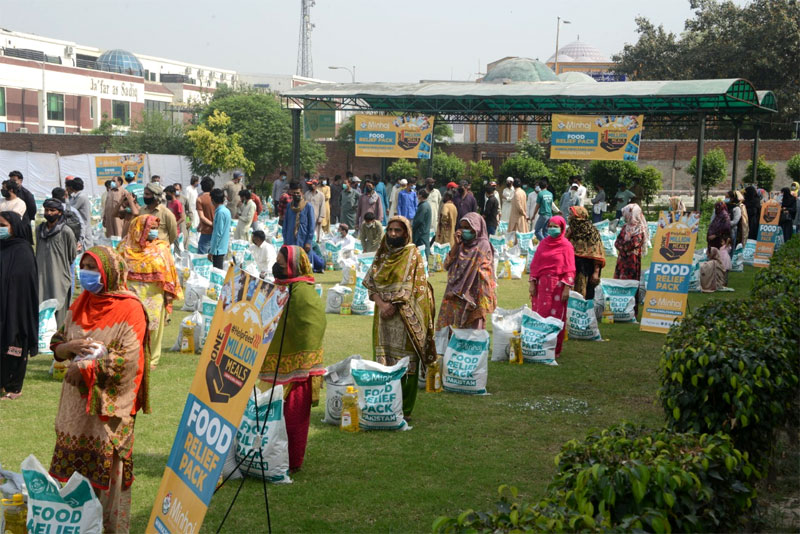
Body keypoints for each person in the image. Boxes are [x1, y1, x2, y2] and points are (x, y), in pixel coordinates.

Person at [49, 246, 149, 533]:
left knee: (106, 479)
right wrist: (66, 348)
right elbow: (58, 341)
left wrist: (84, 369)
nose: (87, 274)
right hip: (74, 413)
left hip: (107, 413)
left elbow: (128, 360)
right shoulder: (82, 301)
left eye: (94, 268)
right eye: (85, 266)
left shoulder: (131, 308)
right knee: (72, 481)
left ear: (111, 272)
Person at [259, 245, 326, 472]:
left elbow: (312, 328)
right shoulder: (279, 289)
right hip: (275, 366)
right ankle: (268, 456)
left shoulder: (303, 293)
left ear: (293, 266)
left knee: (293, 417)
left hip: (298, 371)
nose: (276, 266)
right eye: (276, 261)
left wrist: (301, 361)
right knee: (268, 415)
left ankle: (292, 461)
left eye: (281, 263)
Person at [363, 216, 436, 418]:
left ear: (406, 233)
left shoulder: (412, 253)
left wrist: (394, 304)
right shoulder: (383, 254)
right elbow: (370, 282)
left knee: (408, 363)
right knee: (384, 361)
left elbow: (416, 285)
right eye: (391, 230)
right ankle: (386, 404)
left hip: (404, 317)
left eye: (398, 230)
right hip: (383, 317)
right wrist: (381, 304)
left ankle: (404, 409)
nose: (393, 234)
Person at [118, 215, 181, 370]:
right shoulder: (124, 248)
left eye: (155, 228)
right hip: (131, 293)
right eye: (150, 228)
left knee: (153, 325)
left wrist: (168, 295)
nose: (153, 232)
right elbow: (116, 273)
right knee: (131, 326)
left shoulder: (161, 248)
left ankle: (152, 359)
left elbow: (169, 272)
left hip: (154, 294)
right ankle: (131, 355)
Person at [0, 211, 38, 400]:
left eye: (2, 225)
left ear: (14, 226)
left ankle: (14, 387)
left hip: (17, 309)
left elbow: (26, 284)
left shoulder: (23, 250)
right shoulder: (2, 247)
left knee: (13, 347)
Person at [437, 213, 496, 330]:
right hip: (453, 295)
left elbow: (485, 273)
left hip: (472, 297)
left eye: (468, 228)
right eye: (462, 227)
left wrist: (463, 291)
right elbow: (446, 265)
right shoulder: (461, 244)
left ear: (477, 228)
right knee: (450, 331)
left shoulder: (483, 245)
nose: (464, 231)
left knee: (471, 334)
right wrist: (455, 245)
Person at [528, 215, 575, 359]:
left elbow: (570, 268)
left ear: (562, 228)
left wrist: (567, 287)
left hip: (558, 286)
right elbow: (535, 264)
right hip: (541, 286)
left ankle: (555, 349)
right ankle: (540, 347)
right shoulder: (543, 244)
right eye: (550, 226)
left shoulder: (566, 245)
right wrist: (532, 282)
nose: (552, 229)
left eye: (555, 226)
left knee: (556, 318)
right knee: (540, 315)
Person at [37, 199, 78, 328]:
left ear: (59, 213)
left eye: (52, 210)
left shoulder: (66, 231)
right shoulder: (39, 229)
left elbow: (72, 255)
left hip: (59, 276)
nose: (48, 213)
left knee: (59, 307)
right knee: (41, 304)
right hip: (41, 275)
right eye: (46, 210)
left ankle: (58, 339)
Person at [565, 206, 605, 300]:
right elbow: (563, 245)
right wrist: (568, 234)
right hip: (572, 266)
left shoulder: (591, 231)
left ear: (578, 216)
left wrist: (596, 272)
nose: (569, 217)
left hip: (588, 267)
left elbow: (597, 252)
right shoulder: (571, 229)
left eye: (571, 214)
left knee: (588, 294)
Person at [615, 204, 649, 287]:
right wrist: (624, 244)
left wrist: (623, 245)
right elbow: (616, 243)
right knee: (619, 283)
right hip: (622, 260)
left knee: (630, 284)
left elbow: (633, 243)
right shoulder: (625, 227)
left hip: (631, 261)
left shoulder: (639, 229)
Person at [283, 181, 316, 252]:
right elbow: (285, 224)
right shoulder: (289, 206)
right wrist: (285, 240)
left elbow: (312, 226)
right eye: (294, 193)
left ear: (301, 193)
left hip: (303, 240)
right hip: (290, 240)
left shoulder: (308, 207)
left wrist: (308, 242)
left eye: (297, 193)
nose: (296, 195)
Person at [66, 177, 93, 249]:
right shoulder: (77, 196)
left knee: (84, 247)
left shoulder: (81, 197)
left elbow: (70, 209)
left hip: (84, 225)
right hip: (81, 225)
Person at [209, 188, 232, 270]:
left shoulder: (220, 213)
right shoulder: (226, 211)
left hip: (218, 249)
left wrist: (212, 251)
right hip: (223, 246)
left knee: (217, 272)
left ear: (213, 200)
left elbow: (217, 233)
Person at [196, 177, 216, 254]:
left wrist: (211, 224)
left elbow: (202, 217)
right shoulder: (216, 197)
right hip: (217, 230)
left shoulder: (200, 199)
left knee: (202, 256)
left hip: (206, 230)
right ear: (212, 187)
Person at [412, 189, 432, 256]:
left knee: (422, 251)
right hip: (423, 232)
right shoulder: (425, 205)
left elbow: (419, 220)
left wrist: (412, 228)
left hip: (421, 233)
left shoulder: (423, 206)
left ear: (420, 195)